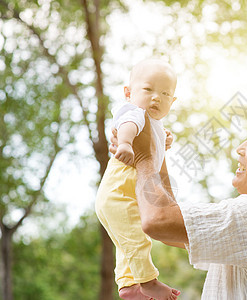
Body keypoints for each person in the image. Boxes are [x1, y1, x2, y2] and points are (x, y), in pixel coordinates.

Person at [110, 100, 247, 299]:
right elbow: (171, 226)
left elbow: (157, 221)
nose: (240, 149)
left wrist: (143, 157)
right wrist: (155, 151)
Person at [95, 59, 180, 300]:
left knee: (127, 245)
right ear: (128, 93)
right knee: (137, 238)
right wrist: (124, 143)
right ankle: (148, 280)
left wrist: (163, 140)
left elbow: (153, 151)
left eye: (165, 93)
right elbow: (128, 124)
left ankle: (129, 286)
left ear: (172, 102)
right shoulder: (134, 112)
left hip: (125, 198)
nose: (156, 98)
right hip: (117, 195)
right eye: (148, 89)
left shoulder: (156, 124)